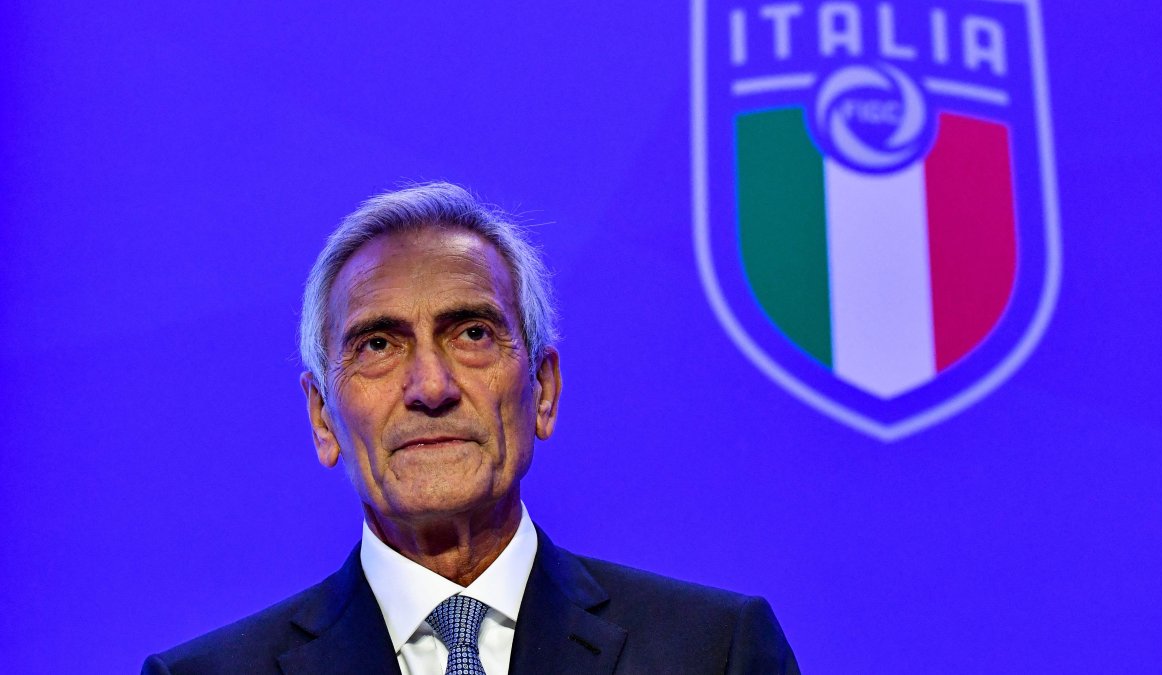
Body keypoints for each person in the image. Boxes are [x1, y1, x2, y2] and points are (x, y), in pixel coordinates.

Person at [142, 182, 800, 674]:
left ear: (542, 390)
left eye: (473, 333)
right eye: (377, 344)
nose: (430, 386)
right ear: (323, 418)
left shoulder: (715, 653)